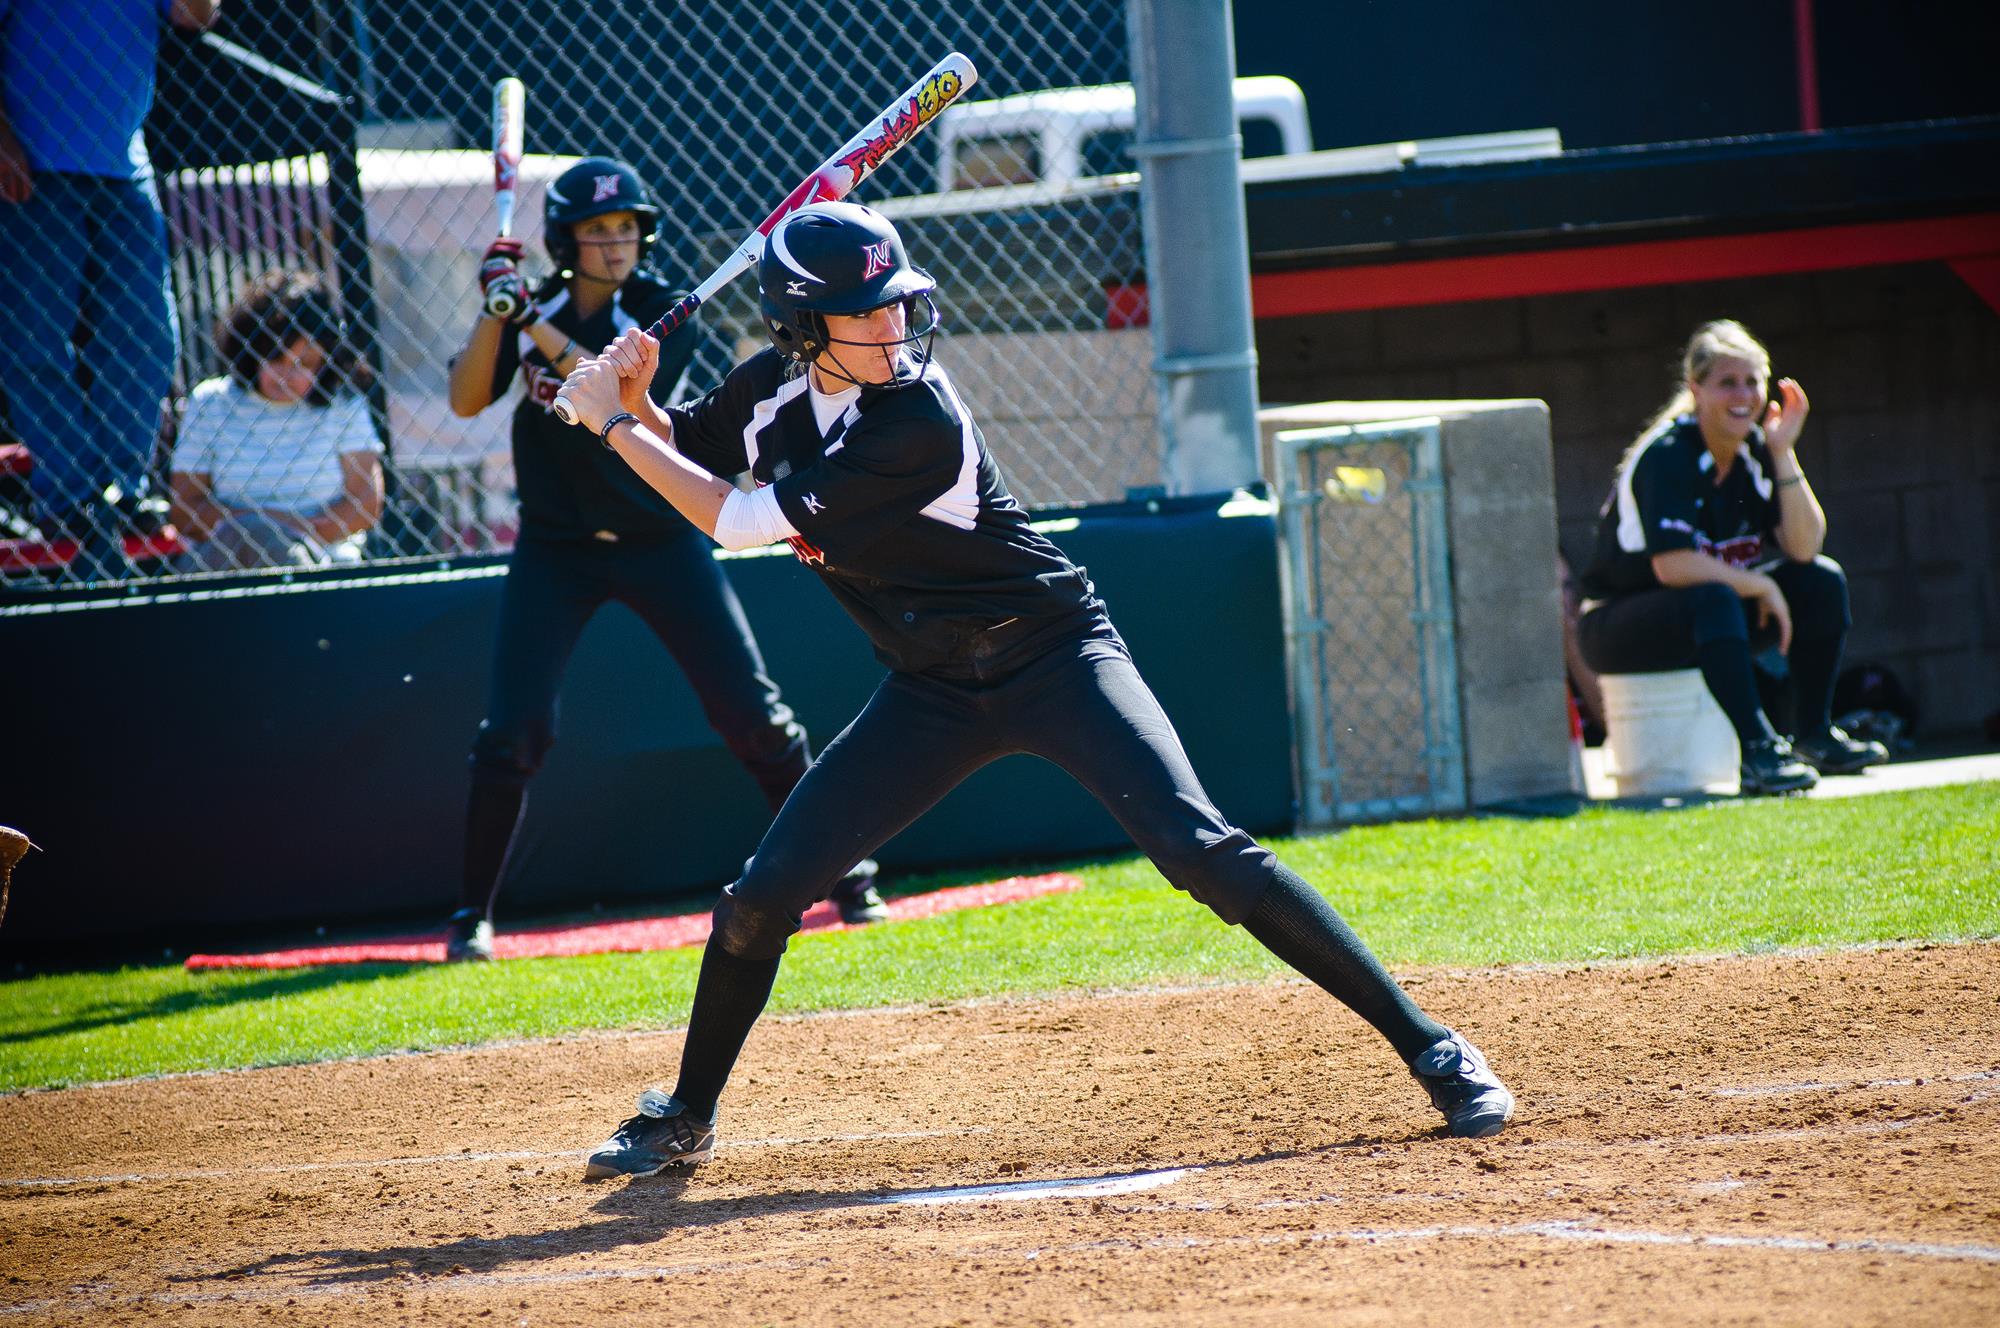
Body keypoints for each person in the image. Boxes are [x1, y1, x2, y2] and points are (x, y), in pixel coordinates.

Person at [555, 201, 1515, 1177]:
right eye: (867, 311)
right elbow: (698, 457)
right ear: (804, 327)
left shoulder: (915, 415)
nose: (894, 325)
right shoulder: (768, 391)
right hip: (929, 687)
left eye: (898, 304)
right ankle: (685, 1113)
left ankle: (1434, 1046)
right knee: (758, 900)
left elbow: (735, 521)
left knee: (1201, 850)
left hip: (1056, 653)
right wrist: (640, 405)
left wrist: (614, 422)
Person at [441, 157, 884, 963]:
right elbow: (467, 398)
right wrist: (494, 310)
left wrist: (532, 316)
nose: (614, 244)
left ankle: (850, 877)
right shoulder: (528, 305)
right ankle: (472, 915)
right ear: (563, 241)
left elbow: (607, 381)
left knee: (752, 715)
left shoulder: (660, 311)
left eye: (624, 229)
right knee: (514, 728)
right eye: (595, 232)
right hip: (556, 547)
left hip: (661, 539)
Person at [1575, 319, 1888, 795]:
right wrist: (1761, 586)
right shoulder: (1668, 454)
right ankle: (1760, 751)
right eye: (1727, 382)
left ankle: (1813, 734)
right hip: (1616, 626)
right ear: (1695, 388)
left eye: (1752, 381)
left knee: (1820, 580)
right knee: (1714, 596)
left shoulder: (1756, 451)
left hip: (1705, 618)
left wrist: (1783, 453)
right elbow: (1672, 565)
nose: (1742, 394)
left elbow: (1805, 546)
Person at [0, 0, 221, 577]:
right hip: (33, 163)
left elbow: (197, 16)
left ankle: (123, 490)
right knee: (34, 341)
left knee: (147, 337)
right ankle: (71, 497)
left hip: (125, 167)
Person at [169, 270, 383, 570]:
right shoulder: (210, 402)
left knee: (274, 546)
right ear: (252, 350)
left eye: (305, 363)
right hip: (224, 562)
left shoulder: (343, 407)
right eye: (276, 358)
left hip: (320, 561)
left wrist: (287, 534)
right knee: (257, 536)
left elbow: (366, 503)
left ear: (326, 360)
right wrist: (262, 527)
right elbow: (184, 510)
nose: (289, 376)